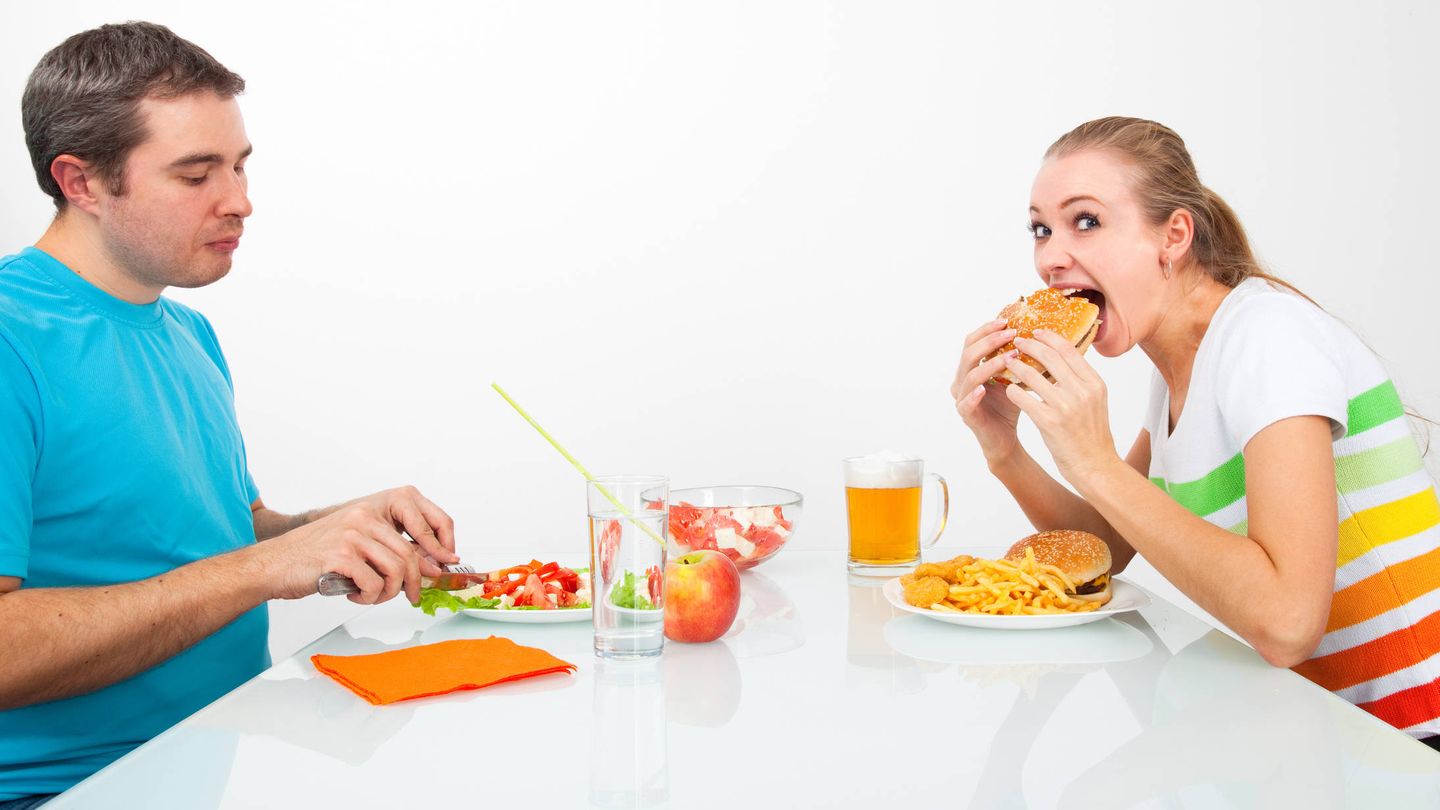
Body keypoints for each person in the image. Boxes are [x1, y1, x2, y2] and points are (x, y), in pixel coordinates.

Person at [0, 22, 462, 805]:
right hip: (78, 788)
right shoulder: (13, 342)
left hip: (226, 753)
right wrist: (258, 571)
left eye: (241, 166)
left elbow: (220, 531)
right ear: (80, 183)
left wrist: (334, 530)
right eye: (195, 175)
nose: (241, 202)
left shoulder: (188, 332)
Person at [951, 116, 1440, 745]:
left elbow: (1288, 623)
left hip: (1413, 740)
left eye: (1086, 221)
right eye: (1041, 229)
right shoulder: (1182, 368)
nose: (1050, 257)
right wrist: (1003, 447)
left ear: (1174, 235)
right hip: (1319, 735)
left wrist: (1095, 461)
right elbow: (1108, 543)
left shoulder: (1267, 338)